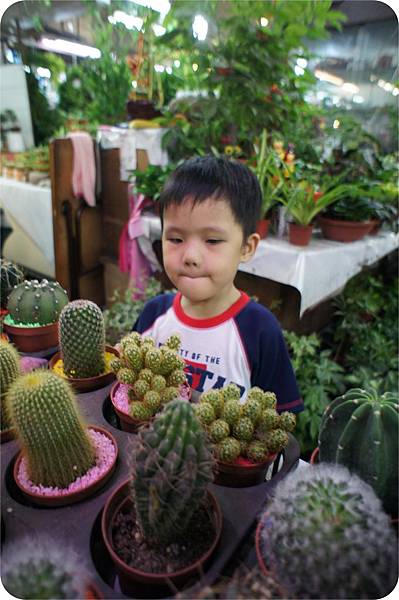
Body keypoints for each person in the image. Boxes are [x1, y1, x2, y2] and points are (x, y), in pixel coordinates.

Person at [133, 156, 303, 413]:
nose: (190, 257)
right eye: (176, 239)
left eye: (212, 241)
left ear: (246, 247)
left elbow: (278, 425)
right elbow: (127, 392)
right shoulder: (154, 315)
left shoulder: (259, 331)